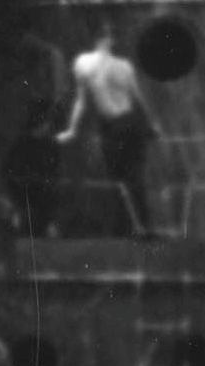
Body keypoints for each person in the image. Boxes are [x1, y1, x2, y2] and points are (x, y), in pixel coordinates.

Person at [62, 21, 151, 233]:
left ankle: (136, 225)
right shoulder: (91, 63)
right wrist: (72, 129)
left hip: (120, 123)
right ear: (110, 40)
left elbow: (82, 100)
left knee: (124, 175)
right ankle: (131, 225)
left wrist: (72, 129)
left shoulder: (107, 64)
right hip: (119, 123)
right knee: (123, 175)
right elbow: (137, 99)